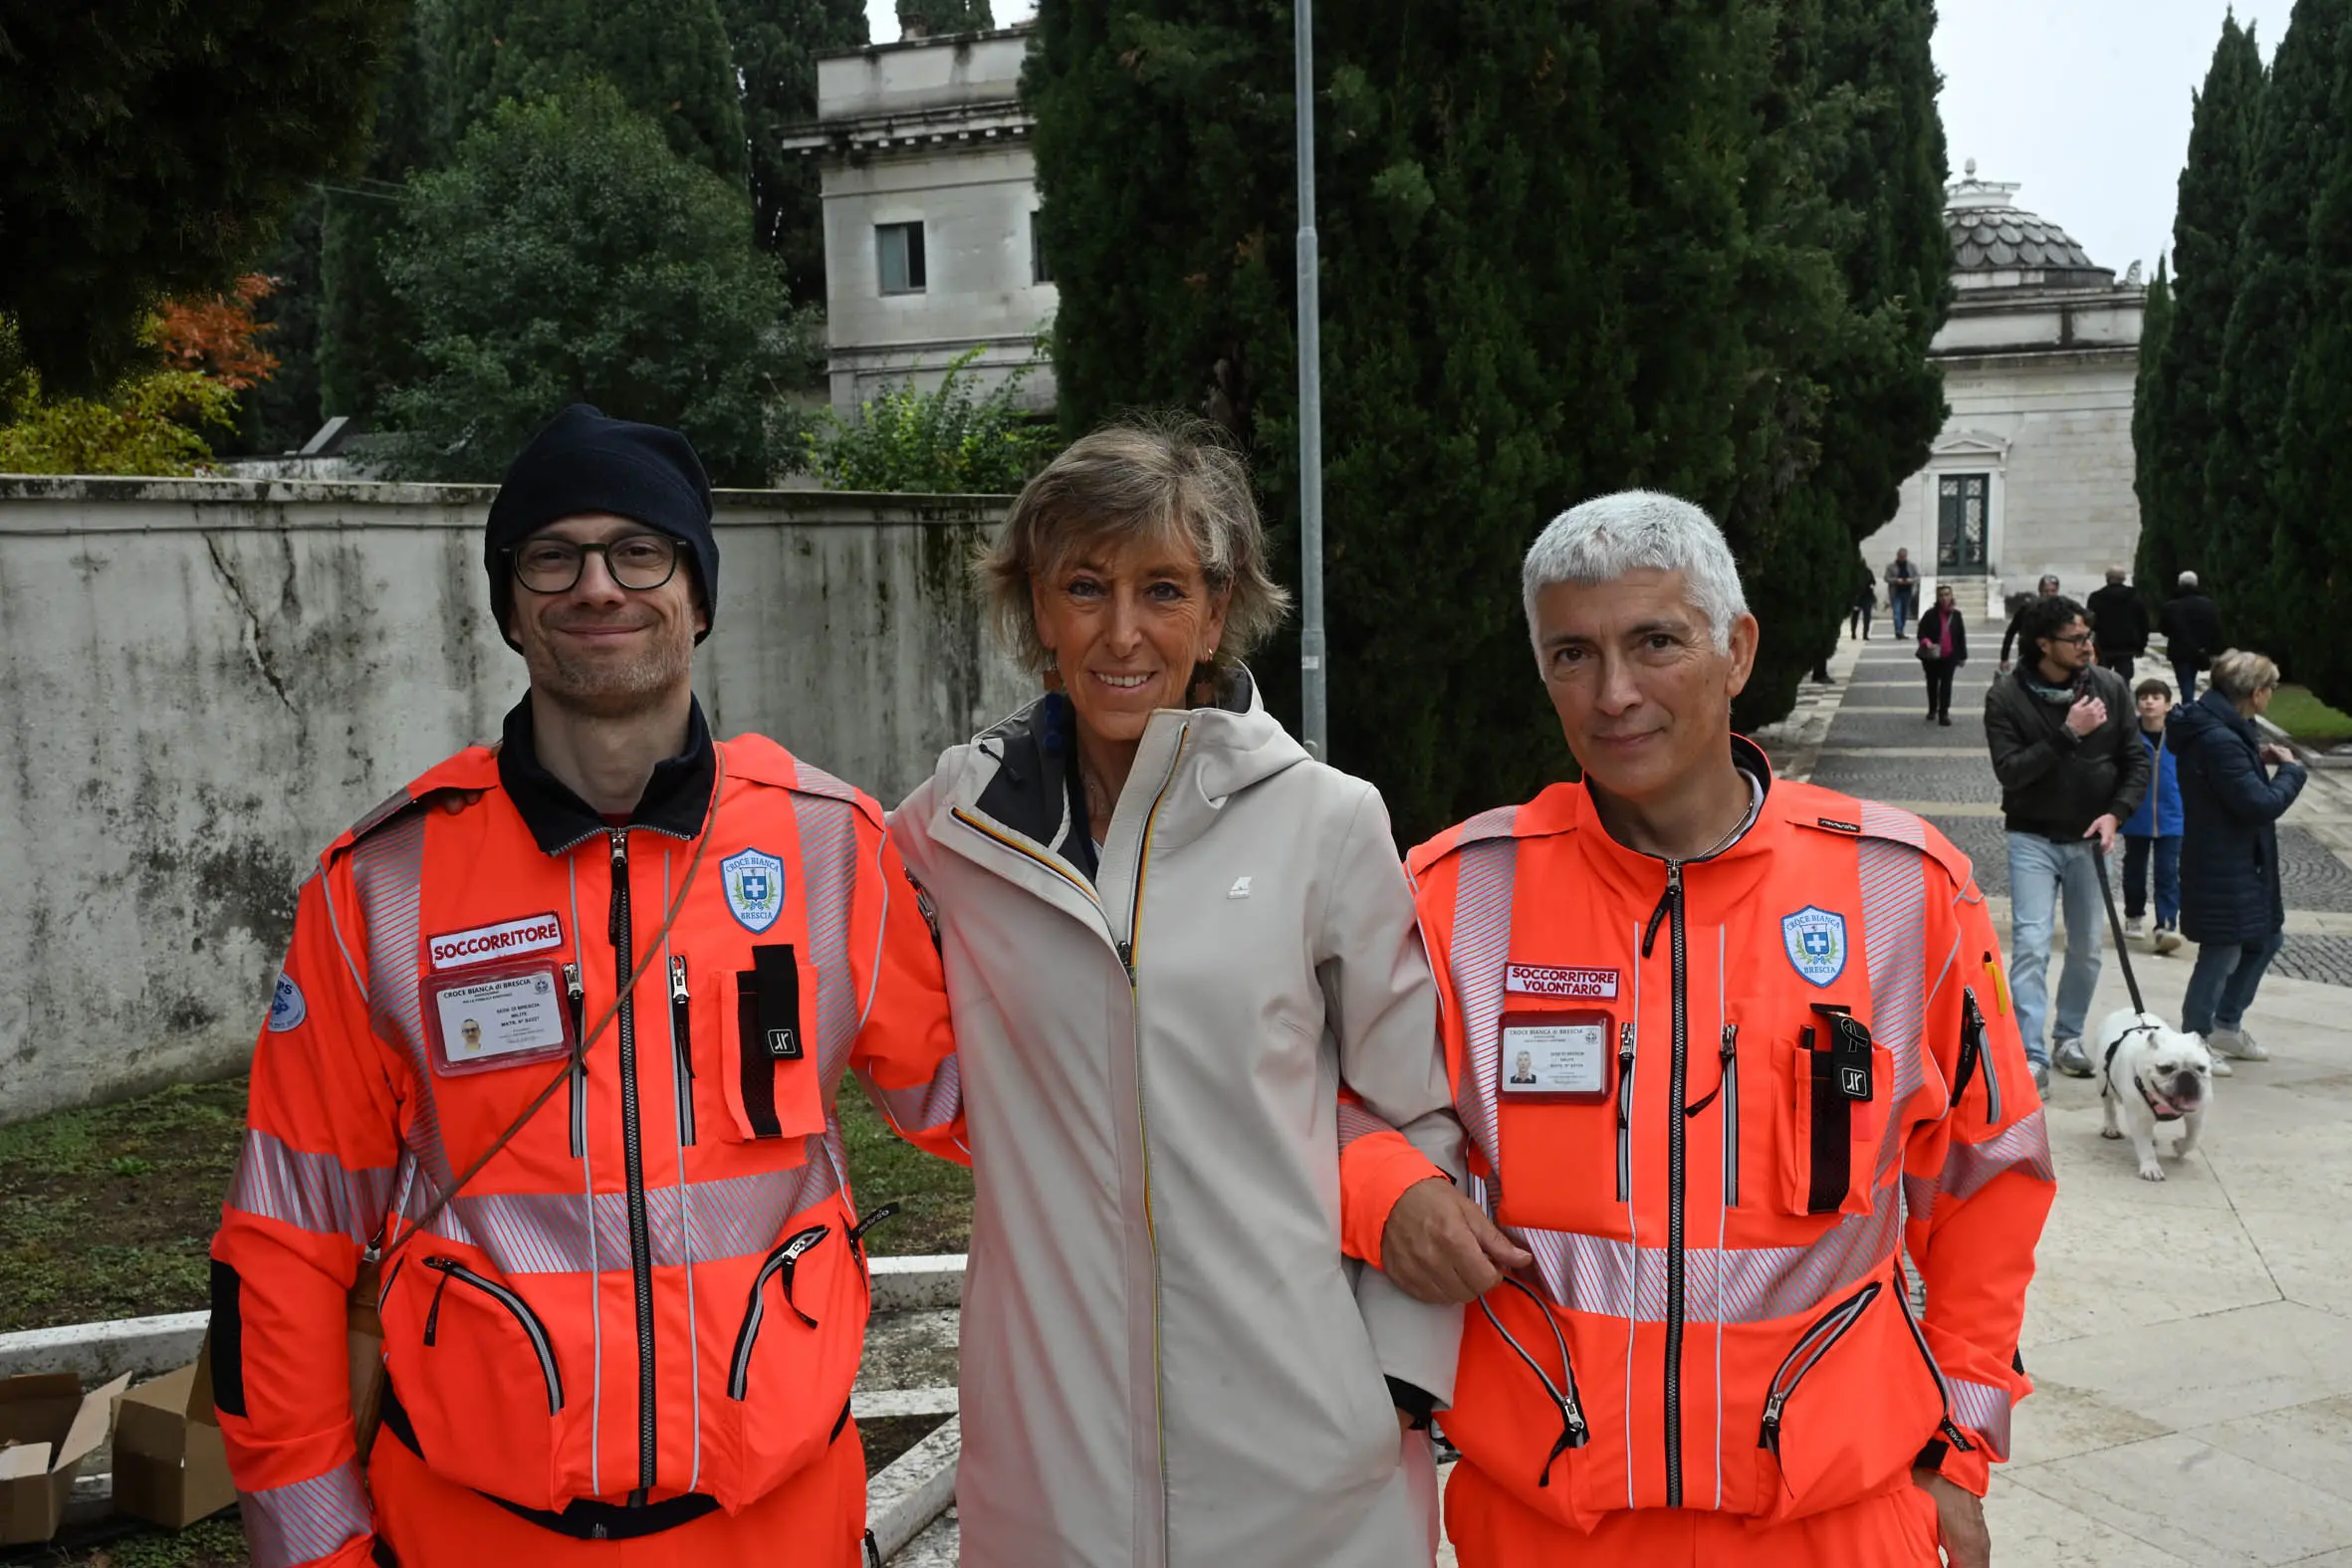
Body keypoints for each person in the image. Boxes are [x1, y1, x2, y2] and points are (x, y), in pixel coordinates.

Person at [208, 406, 967, 1568]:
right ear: (510, 604)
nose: (597, 587)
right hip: (475, 1534)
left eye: (639, 551)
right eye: (551, 556)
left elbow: (995, 1105)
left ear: (698, 595)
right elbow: (285, 1243)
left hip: (778, 1532)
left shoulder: (831, 851)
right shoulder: (381, 885)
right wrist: (312, 1549)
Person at [1387, 492, 2053, 1568]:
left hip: (1835, 1520)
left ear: (1736, 649)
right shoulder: (1455, 894)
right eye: (1572, 654)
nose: (1614, 695)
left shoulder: (1904, 890)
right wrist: (1391, 1192)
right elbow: (1321, 1104)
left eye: (1655, 641)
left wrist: (1957, 1455)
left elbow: (1988, 1179)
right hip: (1545, 1526)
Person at [889, 417, 1473, 1567]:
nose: (1121, 632)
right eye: (1084, 587)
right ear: (1035, 611)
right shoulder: (949, 833)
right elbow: (894, 1046)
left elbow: (1420, 1109)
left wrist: (1399, 1381)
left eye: (1162, 589)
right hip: (1051, 1466)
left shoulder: (1326, 821)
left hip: (1307, 1462)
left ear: (1215, 611)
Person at [1985, 594, 2150, 1089]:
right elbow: (2011, 772)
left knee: (2087, 948)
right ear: (2043, 644)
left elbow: (2137, 761)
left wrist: (2115, 815)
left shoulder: (2111, 687)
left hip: (2089, 841)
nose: (2087, 646)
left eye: (2088, 637)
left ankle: (2068, 1037)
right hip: (2032, 836)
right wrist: (2068, 733)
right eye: (2076, 639)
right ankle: (2030, 1053)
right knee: (2032, 945)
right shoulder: (2006, 698)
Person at [2171, 650, 2307, 1069]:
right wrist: (2292, 773)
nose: (2273, 695)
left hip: (2240, 858)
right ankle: (2195, 1040)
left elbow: (2233, 778)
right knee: (2222, 948)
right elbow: (2257, 804)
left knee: (2266, 937)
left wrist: (2255, 759)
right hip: (2222, 860)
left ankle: (2226, 1024)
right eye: (2272, 688)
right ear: (2255, 692)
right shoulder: (2218, 738)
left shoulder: (2227, 726)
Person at [2120, 678, 2185, 957]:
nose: (2149, 702)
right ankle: (2134, 913)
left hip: (2172, 815)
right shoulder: (2128, 736)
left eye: (2156, 697)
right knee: (2134, 869)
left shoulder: (2180, 737)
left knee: (2168, 871)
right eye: (2144, 697)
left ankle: (2167, 924)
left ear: (2168, 705)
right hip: (2137, 814)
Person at [2162, 570, 2225, 702]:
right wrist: (2214, 650)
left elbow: (2164, 629)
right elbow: (2215, 628)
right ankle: (2191, 709)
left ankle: (2188, 708)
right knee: (2193, 680)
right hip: (2202, 650)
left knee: (2185, 683)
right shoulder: (2207, 604)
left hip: (2180, 651)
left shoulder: (2171, 606)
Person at [1916, 582, 1968, 726]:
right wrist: (1926, 642)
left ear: (1951, 596)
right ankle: (1932, 708)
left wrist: (1963, 656)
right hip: (1932, 656)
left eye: (1947, 595)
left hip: (1949, 656)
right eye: (1941, 595)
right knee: (1932, 684)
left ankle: (1943, 713)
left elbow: (1961, 637)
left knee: (1946, 684)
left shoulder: (1956, 615)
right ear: (1937, 598)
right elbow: (1921, 632)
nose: (1944, 598)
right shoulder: (1930, 614)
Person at [2084, 566, 2149, 682]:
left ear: (2107, 579)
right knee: (2124, 680)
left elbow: (2090, 622)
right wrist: (2141, 646)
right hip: (2127, 646)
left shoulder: (2096, 598)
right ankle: (2122, 699)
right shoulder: (2135, 597)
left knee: (2102, 680)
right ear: (2123, 579)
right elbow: (2143, 623)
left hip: (2104, 645)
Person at [1997, 574, 2061, 672]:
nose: (2049, 595)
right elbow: (2011, 632)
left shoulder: (2062, 611)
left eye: (2052, 591)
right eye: (2046, 591)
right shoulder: (2027, 609)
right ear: (2040, 591)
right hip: (2028, 657)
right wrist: (2004, 658)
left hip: (2053, 659)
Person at [1885, 547, 1920, 638]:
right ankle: (1898, 631)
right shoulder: (1891, 566)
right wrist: (1896, 580)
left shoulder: (1911, 566)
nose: (1902, 558)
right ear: (1897, 556)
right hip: (1896, 592)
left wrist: (1910, 580)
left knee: (1904, 613)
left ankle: (1901, 630)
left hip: (1907, 592)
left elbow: (1917, 577)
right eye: (1901, 556)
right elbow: (1886, 578)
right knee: (1897, 612)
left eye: (1904, 556)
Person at [1849, 561, 1877, 641]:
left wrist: (1871, 586)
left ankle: (1865, 634)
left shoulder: (1867, 572)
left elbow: (1873, 582)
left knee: (1866, 616)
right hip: (1857, 597)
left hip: (1866, 596)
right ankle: (1854, 633)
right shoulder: (1854, 573)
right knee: (1856, 616)